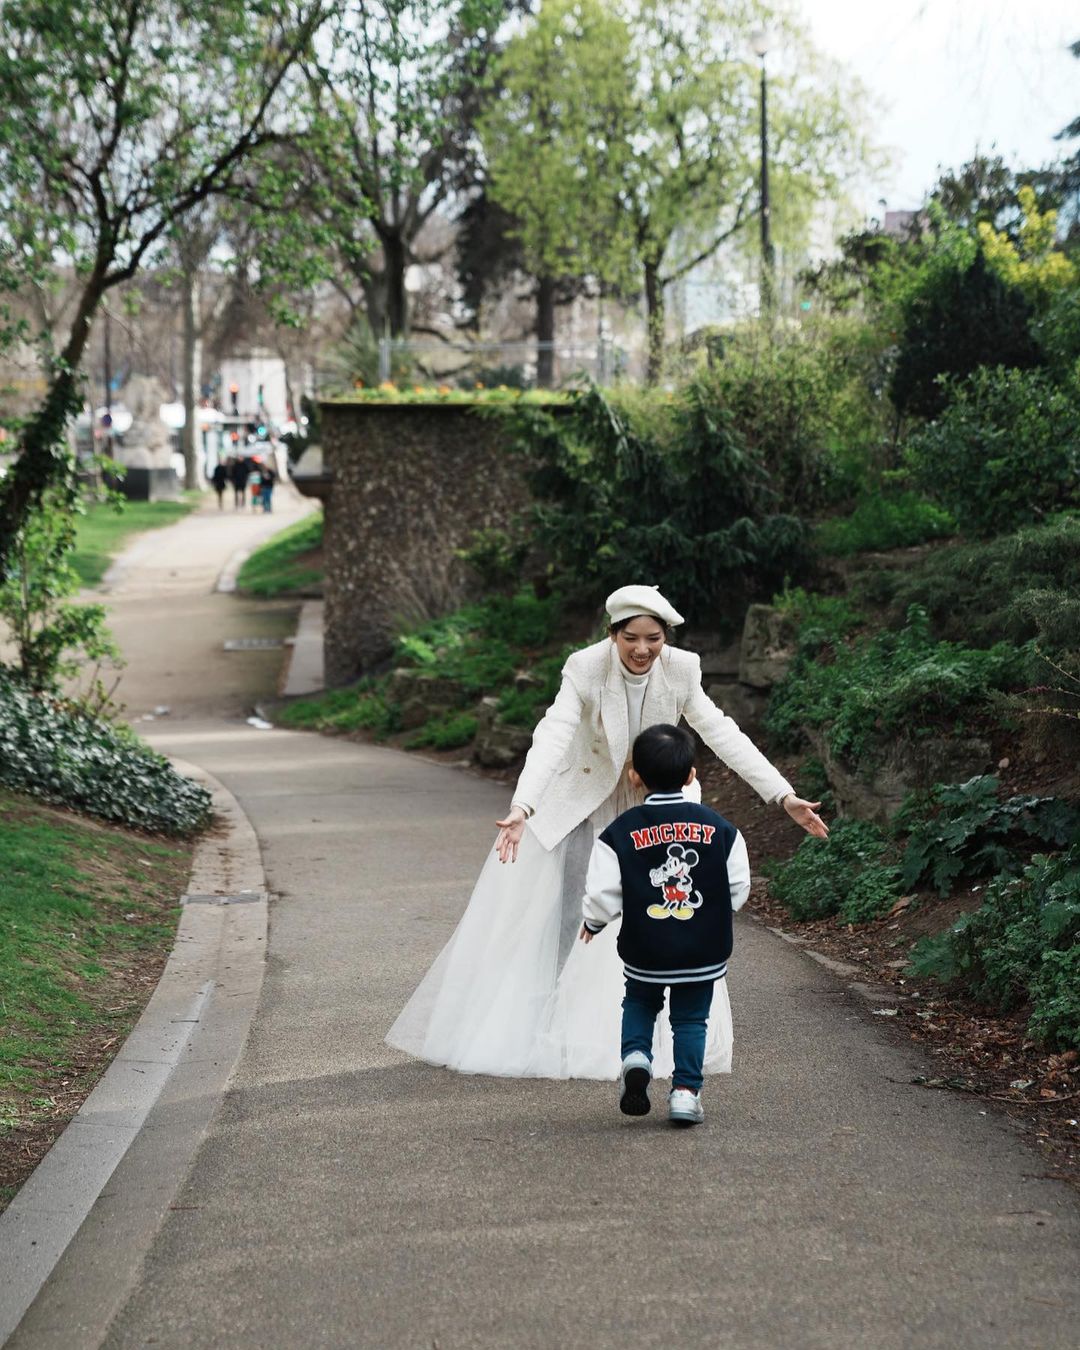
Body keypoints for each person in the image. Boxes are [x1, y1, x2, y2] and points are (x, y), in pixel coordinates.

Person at [386, 583, 827, 1081]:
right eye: (631, 638)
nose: (643, 649)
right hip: (586, 803)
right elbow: (553, 733)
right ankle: (547, 1023)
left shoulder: (682, 668)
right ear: (612, 634)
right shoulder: (584, 667)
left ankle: (652, 1034)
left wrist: (782, 795)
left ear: (666, 637)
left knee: (661, 921)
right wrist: (523, 805)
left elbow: (721, 730)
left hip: (655, 803)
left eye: (654, 639)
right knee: (570, 913)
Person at [579, 723, 749, 1127]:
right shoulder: (721, 828)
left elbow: (605, 891)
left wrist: (593, 921)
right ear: (691, 775)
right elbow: (739, 884)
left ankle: (636, 1057)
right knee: (691, 1019)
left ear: (634, 775)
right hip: (702, 947)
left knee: (640, 1001)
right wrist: (719, 912)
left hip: (646, 946)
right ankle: (686, 1094)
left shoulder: (618, 832)